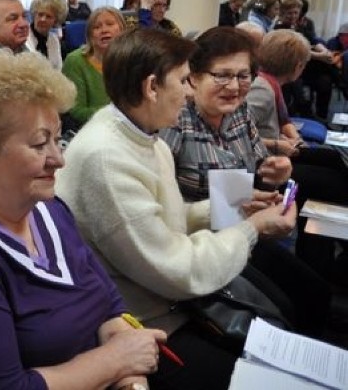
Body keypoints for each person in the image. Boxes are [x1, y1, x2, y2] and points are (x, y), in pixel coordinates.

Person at [0, 51, 165, 390]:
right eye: (40, 144)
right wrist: (116, 360)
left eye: (57, 139)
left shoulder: (48, 208)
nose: (58, 159)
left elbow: (107, 307)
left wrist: (132, 380)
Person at [57, 28, 296, 390]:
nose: (189, 91)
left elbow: (165, 219)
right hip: (145, 322)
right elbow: (179, 271)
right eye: (185, 80)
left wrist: (232, 209)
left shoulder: (142, 134)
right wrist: (252, 229)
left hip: (171, 301)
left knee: (285, 316)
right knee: (269, 374)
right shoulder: (106, 158)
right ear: (152, 87)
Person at [159, 26, 330, 336]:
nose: (234, 86)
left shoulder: (241, 113)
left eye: (243, 76)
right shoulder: (175, 120)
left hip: (243, 229)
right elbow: (162, 206)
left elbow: (255, 165)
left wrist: (273, 170)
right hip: (202, 245)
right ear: (193, 77)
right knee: (284, 311)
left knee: (315, 291)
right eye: (221, 75)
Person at [246, 29, 348, 280]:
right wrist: (279, 144)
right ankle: (319, 258)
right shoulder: (262, 89)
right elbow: (241, 134)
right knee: (330, 182)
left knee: (332, 160)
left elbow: (279, 121)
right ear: (298, 66)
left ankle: (320, 252)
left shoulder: (269, 84)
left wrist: (287, 140)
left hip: (270, 155)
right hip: (262, 167)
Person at [62, 6, 127, 128]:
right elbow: (75, 111)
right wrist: (119, 114)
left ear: (122, 29)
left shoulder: (130, 60)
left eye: (110, 24)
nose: (104, 30)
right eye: (97, 27)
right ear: (90, 36)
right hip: (88, 131)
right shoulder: (75, 61)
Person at [26, 0, 65, 70]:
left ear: (56, 20)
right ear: (34, 15)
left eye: (48, 16)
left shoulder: (54, 39)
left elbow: (58, 69)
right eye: (40, 14)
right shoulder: (24, 36)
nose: (43, 19)